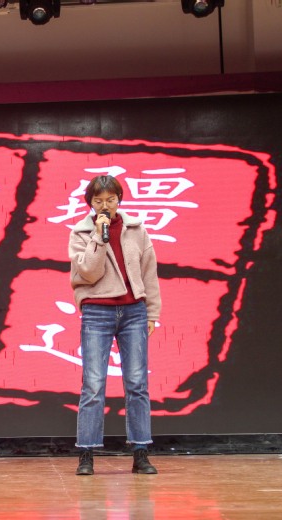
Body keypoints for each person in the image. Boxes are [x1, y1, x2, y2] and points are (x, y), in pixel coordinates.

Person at [68, 175, 161, 476]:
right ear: (90, 203)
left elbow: (149, 272)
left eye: (110, 199)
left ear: (119, 199)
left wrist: (152, 313)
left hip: (134, 312)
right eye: (98, 201)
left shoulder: (136, 230)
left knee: (137, 383)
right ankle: (86, 454)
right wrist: (98, 236)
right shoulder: (81, 232)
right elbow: (89, 273)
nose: (105, 206)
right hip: (97, 312)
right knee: (93, 384)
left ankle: (141, 453)